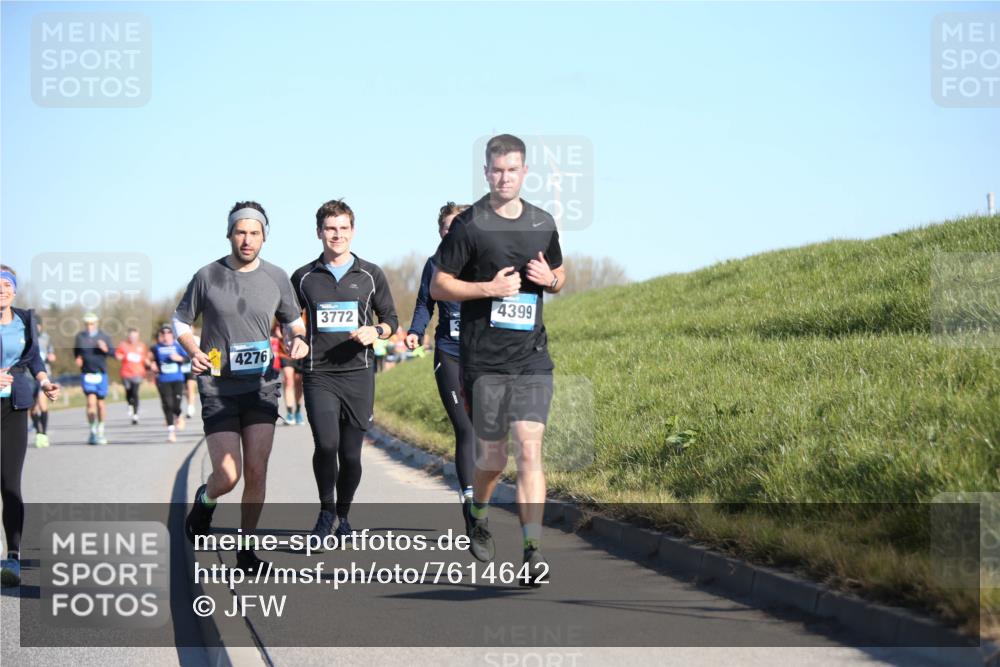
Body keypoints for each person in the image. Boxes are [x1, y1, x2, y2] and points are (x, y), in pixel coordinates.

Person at [430, 134, 566, 587]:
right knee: (493, 459)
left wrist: (552, 280)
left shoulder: (542, 222)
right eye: (497, 170)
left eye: (513, 170)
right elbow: (439, 285)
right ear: (486, 173)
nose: (505, 177)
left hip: (531, 358)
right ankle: (480, 510)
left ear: (525, 172)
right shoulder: (470, 226)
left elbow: (560, 271)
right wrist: (488, 289)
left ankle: (533, 552)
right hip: (483, 362)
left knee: (529, 450)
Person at [177, 201, 308, 573]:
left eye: (254, 233)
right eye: (240, 232)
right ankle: (206, 501)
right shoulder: (207, 275)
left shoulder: (277, 277)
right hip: (218, 386)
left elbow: (292, 322)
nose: (247, 239)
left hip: (262, 385)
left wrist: (298, 338)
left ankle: (246, 550)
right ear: (229, 233)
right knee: (228, 476)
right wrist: (192, 349)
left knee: (257, 470)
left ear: (264, 236)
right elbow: (181, 321)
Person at [291, 199, 398, 543]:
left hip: (358, 373)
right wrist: (295, 338)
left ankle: (344, 515)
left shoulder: (370, 274)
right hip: (318, 373)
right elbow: (289, 321)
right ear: (319, 232)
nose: (337, 235)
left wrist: (376, 332)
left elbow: (391, 320)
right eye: (330, 228)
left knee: (351, 455)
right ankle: (325, 513)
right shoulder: (303, 277)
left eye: (343, 228)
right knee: (326, 445)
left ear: (353, 231)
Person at [405, 202, 477, 533]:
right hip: (448, 353)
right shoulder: (434, 265)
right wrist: (416, 332)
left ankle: (481, 499)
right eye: (450, 226)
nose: (454, 231)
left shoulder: (483, 262)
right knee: (465, 428)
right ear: (441, 231)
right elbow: (424, 303)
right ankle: (469, 500)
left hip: (484, 358)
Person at [0, 265, 61, 586]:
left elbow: (34, 358)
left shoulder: (24, 320)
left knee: (10, 484)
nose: (2, 290)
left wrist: (45, 381)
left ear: (14, 289)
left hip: (14, 406)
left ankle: (12, 556)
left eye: (6, 285)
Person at [74, 312, 114, 445]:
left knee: (100, 404)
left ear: (96, 324)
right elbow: (76, 352)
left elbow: (113, 353)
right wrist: (78, 358)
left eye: (91, 324)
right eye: (87, 324)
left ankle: (101, 428)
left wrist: (105, 348)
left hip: (101, 374)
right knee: (90, 403)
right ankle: (92, 431)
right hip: (87, 374)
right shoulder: (80, 337)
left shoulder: (104, 336)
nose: (89, 326)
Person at [150, 324, 187, 442]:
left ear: (172, 335)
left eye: (168, 333)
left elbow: (188, 358)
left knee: (176, 405)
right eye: (163, 333)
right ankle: (171, 432)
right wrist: (152, 364)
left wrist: (179, 359)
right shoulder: (156, 348)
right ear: (160, 336)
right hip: (163, 380)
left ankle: (179, 415)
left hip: (177, 379)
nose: (166, 336)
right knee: (167, 404)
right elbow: (149, 360)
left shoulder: (178, 346)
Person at [30, 318, 56, 448]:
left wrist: (51, 356)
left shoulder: (46, 338)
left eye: (38, 326)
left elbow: (51, 352)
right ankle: (38, 431)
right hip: (28, 377)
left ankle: (43, 434)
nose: (37, 328)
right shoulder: (26, 337)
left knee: (42, 403)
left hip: (44, 374)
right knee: (32, 408)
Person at [115, 327, 148, 425]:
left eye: (135, 336)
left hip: (138, 372)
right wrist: (121, 356)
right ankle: (129, 403)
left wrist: (147, 361)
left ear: (138, 336)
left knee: (135, 392)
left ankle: (135, 415)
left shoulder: (141, 346)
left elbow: (145, 357)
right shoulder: (123, 345)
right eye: (131, 336)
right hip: (126, 373)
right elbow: (118, 355)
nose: (133, 338)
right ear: (128, 336)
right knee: (128, 391)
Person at [274, 321, 304, 425]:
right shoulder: (282, 311)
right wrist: (277, 333)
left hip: (301, 352)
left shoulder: (306, 312)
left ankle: (298, 412)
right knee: (289, 380)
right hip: (285, 352)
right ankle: (290, 413)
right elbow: (274, 329)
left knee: (298, 382)